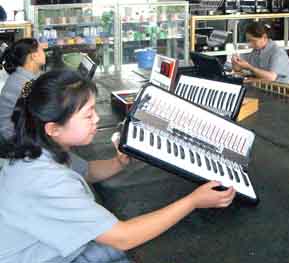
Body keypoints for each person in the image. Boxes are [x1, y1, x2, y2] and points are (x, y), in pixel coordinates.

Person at [0, 70, 236, 263]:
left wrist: (118, 162)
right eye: (88, 114)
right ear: (53, 128)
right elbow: (123, 238)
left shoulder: (37, 148)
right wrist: (193, 201)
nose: (97, 119)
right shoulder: (46, 180)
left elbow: (87, 171)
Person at [0, 38, 45, 139]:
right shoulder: (26, 83)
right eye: (41, 49)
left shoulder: (23, 75)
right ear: (33, 56)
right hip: (13, 136)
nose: (44, 52)